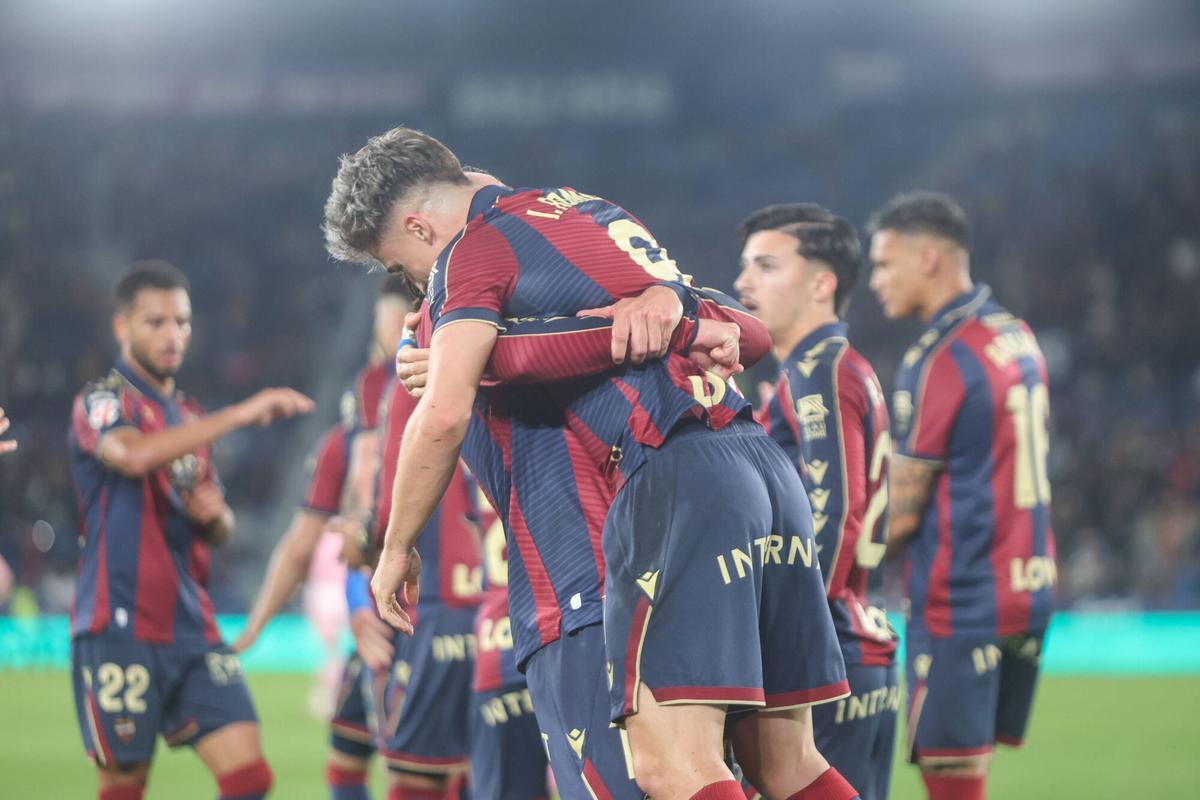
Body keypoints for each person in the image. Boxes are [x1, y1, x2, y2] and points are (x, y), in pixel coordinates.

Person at [324, 127, 855, 800]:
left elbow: (445, 413)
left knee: (671, 769)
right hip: (759, 467)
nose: (416, 287)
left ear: (419, 227)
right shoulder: (592, 212)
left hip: (668, 479)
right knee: (789, 766)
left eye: (401, 266)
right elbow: (732, 326)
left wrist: (394, 546)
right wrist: (686, 313)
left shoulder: (469, 254)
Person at [67, 260, 313, 800]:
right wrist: (240, 415)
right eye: (155, 322)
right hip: (119, 625)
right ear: (122, 327)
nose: (172, 335)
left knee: (250, 777)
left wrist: (216, 517)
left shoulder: (186, 415)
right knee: (125, 787)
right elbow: (131, 457)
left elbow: (218, 530)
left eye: (181, 322)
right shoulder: (102, 400)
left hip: (190, 627)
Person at [866, 191, 1056, 800]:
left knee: (952, 782)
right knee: (973, 771)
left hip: (961, 599)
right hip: (1027, 586)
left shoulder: (940, 356)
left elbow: (900, 517)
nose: (875, 281)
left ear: (929, 259)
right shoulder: (1016, 335)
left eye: (884, 264)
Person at [735, 204, 899, 800]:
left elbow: (838, 511)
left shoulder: (817, 370)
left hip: (828, 655)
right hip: (862, 639)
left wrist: (794, 637)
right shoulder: (839, 367)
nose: (743, 282)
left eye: (766, 265)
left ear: (821, 284)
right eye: (745, 266)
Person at [236, 277, 408, 800]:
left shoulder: (396, 400)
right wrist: (251, 631)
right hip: (391, 609)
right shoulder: (351, 430)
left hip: (424, 611)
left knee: (416, 768)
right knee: (355, 750)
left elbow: (306, 543)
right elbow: (302, 544)